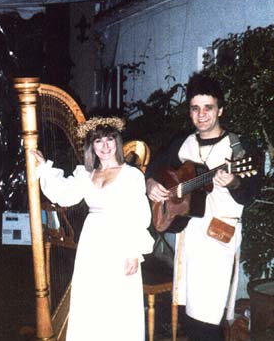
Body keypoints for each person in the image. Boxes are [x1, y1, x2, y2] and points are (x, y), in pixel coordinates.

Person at [145, 73, 261, 341]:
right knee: (192, 313)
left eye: (208, 108)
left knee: (210, 315)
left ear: (220, 109)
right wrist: (151, 182)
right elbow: (155, 165)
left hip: (219, 237)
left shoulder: (239, 147)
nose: (201, 115)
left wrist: (233, 182)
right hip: (189, 237)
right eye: (195, 108)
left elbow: (250, 195)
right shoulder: (183, 143)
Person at [32, 117, 154, 341]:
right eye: (98, 141)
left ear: (117, 142)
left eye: (109, 139)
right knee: (91, 300)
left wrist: (133, 253)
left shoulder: (131, 175)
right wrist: (43, 167)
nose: (105, 146)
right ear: (92, 146)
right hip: (92, 242)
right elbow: (63, 193)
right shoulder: (86, 174)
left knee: (119, 304)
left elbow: (138, 216)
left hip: (120, 243)